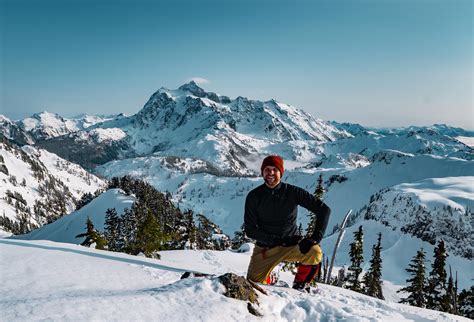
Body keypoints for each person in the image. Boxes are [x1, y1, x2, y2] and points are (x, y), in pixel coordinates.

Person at [244, 155, 331, 291]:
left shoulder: (292, 192)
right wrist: (275, 240)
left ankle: (301, 285)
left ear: (281, 172)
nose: (271, 173)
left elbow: (323, 210)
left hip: (292, 246)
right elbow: (250, 230)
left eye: (275, 169)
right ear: (262, 172)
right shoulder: (254, 196)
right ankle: (270, 276)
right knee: (252, 286)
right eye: (267, 169)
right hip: (265, 250)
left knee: (314, 252)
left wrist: (314, 238)